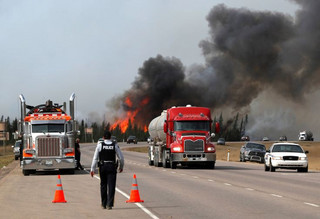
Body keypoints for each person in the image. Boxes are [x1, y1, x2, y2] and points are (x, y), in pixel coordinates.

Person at [90, 130, 124, 210]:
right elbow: (121, 158)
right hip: (112, 167)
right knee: (111, 186)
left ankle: (103, 203)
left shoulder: (100, 145)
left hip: (103, 167)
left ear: (103, 137)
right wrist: (121, 166)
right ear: (110, 137)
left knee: (103, 185)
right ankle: (109, 204)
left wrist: (92, 169)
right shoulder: (114, 145)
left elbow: (95, 158)